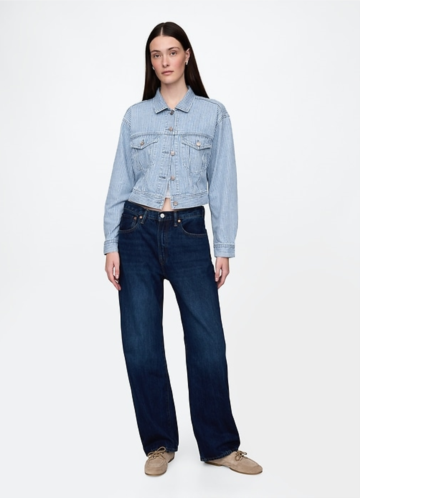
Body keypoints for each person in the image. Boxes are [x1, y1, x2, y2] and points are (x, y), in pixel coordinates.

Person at [103, 22, 262, 477]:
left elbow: (224, 183)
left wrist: (224, 246)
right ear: (151, 62)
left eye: (172, 52)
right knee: (141, 344)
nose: (165, 61)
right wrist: (111, 243)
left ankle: (219, 446)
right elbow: (120, 181)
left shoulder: (213, 114)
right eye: (156, 54)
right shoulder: (135, 116)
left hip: (189, 233)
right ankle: (159, 444)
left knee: (208, 343)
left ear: (187, 55)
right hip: (136, 232)